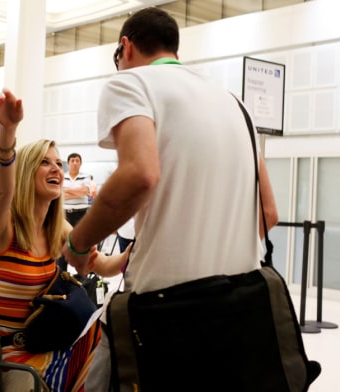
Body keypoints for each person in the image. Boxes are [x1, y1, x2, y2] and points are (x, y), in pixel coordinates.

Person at [61, 7, 278, 390]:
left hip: (161, 315)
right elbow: (268, 212)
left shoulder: (132, 83)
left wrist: (78, 244)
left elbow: (139, 174)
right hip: (237, 313)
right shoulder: (235, 103)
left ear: (125, 47)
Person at [0, 89, 129, 392]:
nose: (56, 169)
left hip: (54, 343)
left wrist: (135, 253)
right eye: (45, 163)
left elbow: (101, 265)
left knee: (114, 340)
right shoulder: (2, 227)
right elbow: (1, 189)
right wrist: (7, 130)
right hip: (11, 354)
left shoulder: (56, 228)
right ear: (25, 171)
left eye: (59, 163)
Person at [63, 153, 92, 227]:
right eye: (72, 161)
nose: (75, 163)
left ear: (80, 163)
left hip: (82, 213)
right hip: (64, 214)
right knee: (65, 237)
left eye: (77, 161)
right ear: (68, 163)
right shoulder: (62, 177)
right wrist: (78, 192)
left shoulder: (86, 176)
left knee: (81, 237)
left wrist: (66, 190)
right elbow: (60, 194)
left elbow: (85, 191)